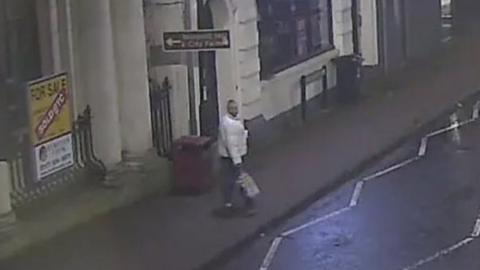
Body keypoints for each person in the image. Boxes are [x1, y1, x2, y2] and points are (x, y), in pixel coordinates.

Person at [218, 100, 256, 217]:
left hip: (234, 156)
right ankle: (247, 201)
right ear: (228, 110)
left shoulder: (234, 120)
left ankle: (229, 203)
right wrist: (237, 161)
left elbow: (236, 139)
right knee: (240, 179)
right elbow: (231, 144)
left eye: (235, 108)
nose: (235, 110)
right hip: (232, 158)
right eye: (232, 108)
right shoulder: (228, 124)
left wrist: (244, 134)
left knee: (234, 180)